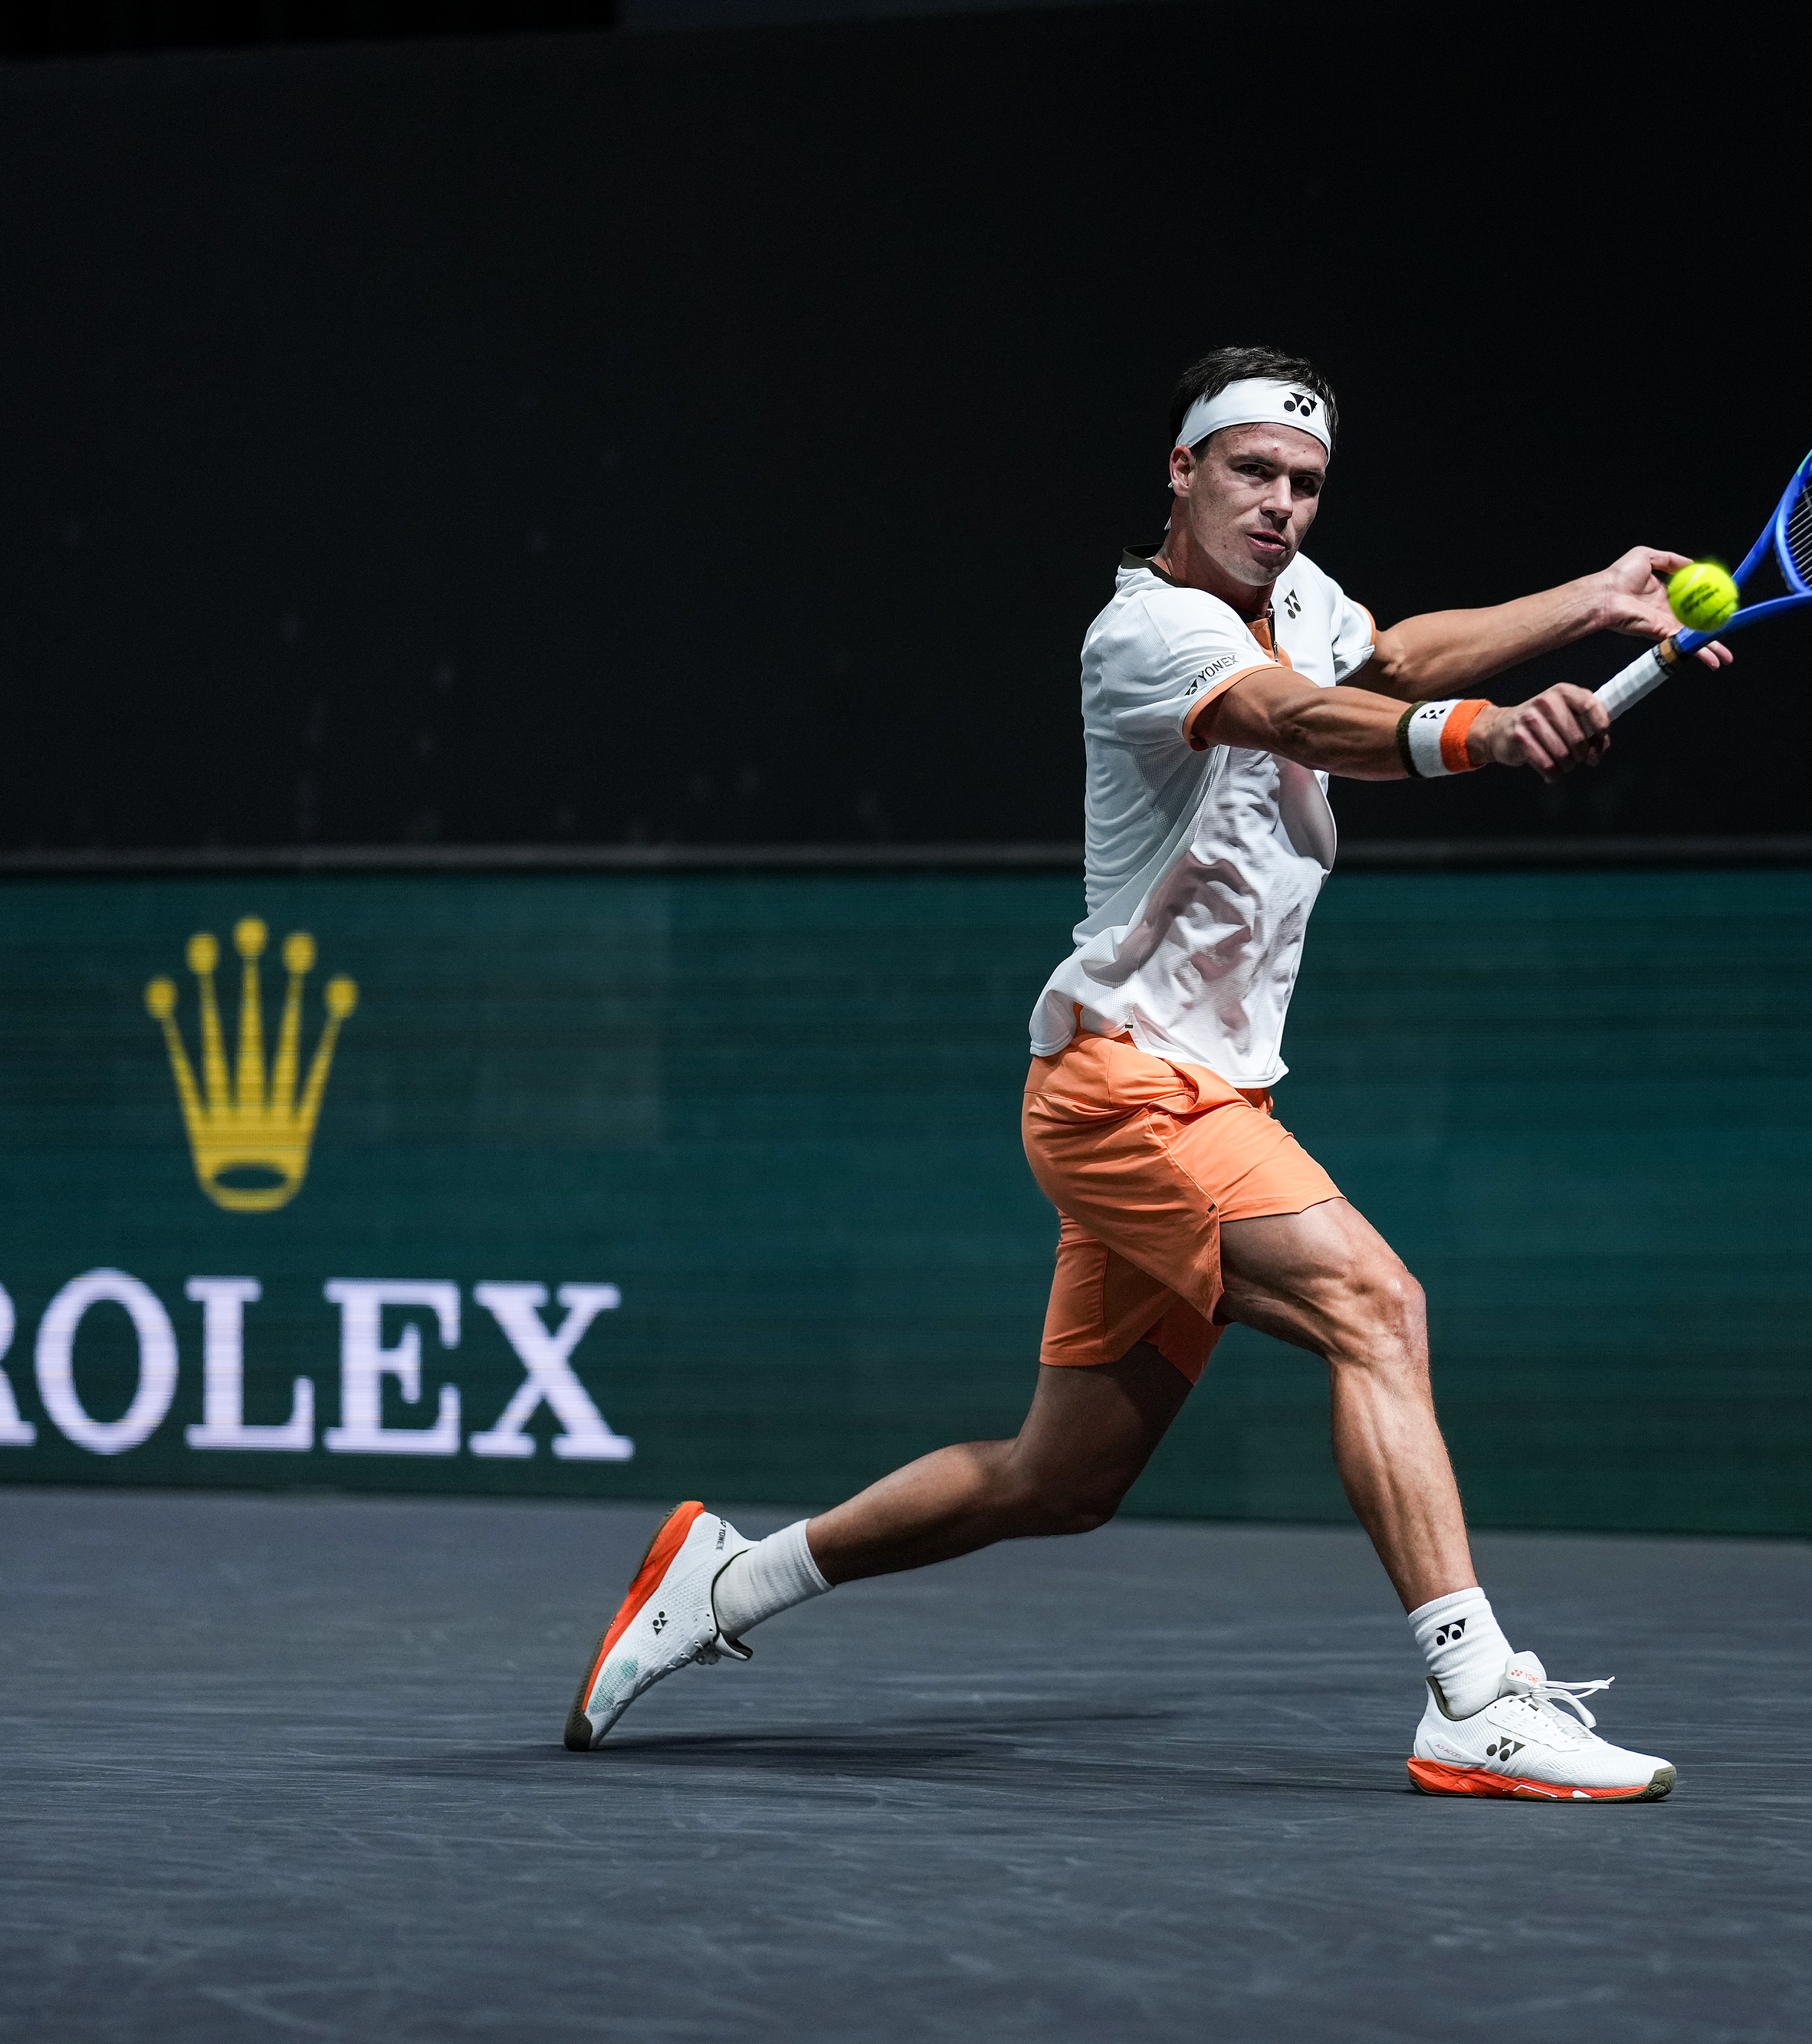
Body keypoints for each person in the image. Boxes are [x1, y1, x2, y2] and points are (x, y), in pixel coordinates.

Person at [565, 345, 1728, 1800]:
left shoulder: (1295, 598)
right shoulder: (1147, 635)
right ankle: (1475, 1699)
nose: (1284, 503)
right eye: (1253, 471)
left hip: (1198, 1095)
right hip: (1127, 1089)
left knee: (1057, 1480)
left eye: (1306, 482)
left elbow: (1384, 662)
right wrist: (1487, 740)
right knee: (1378, 1307)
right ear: (1181, 471)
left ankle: (725, 1586)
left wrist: (1590, 602)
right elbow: (1307, 722)